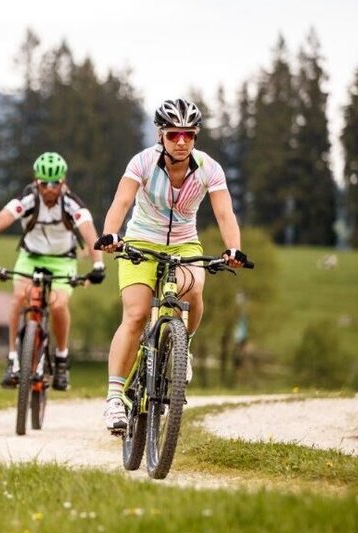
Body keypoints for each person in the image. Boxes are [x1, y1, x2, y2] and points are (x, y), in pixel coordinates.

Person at [94, 99, 249, 432]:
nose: (181, 141)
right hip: (140, 242)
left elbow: (224, 213)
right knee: (135, 315)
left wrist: (233, 248)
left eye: (189, 135)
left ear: (195, 137)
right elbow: (121, 202)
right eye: (174, 134)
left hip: (184, 242)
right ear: (161, 135)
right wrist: (110, 234)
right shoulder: (143, 163)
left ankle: (182, 347)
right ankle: (113, 399)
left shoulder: (209, 168)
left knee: (194, 290)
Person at [0, 152, 105, 391]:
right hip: (30, 257)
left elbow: (89, 233)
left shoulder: (72, 204)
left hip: (62, 261)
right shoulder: (27, 200)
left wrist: (98, 266)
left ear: (63, 182)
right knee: (17, 298)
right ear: (36, 181)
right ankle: (14, 359)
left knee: (57, 305)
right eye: (44, 183)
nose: (49, 189)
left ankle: (62, 358)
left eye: (55, 183)